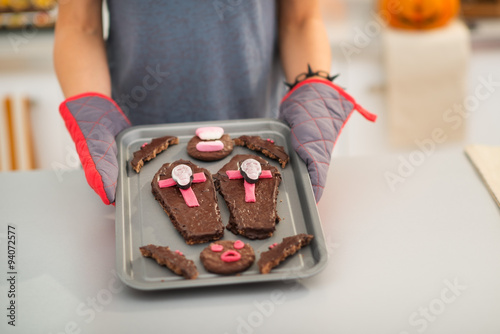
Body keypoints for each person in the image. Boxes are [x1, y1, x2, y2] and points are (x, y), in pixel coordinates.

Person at [54, 0, 376, 205]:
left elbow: (301, 19)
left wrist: (313, 93)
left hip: (258, 144)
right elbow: (80, 24)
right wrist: (93, 112)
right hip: (134, 152)